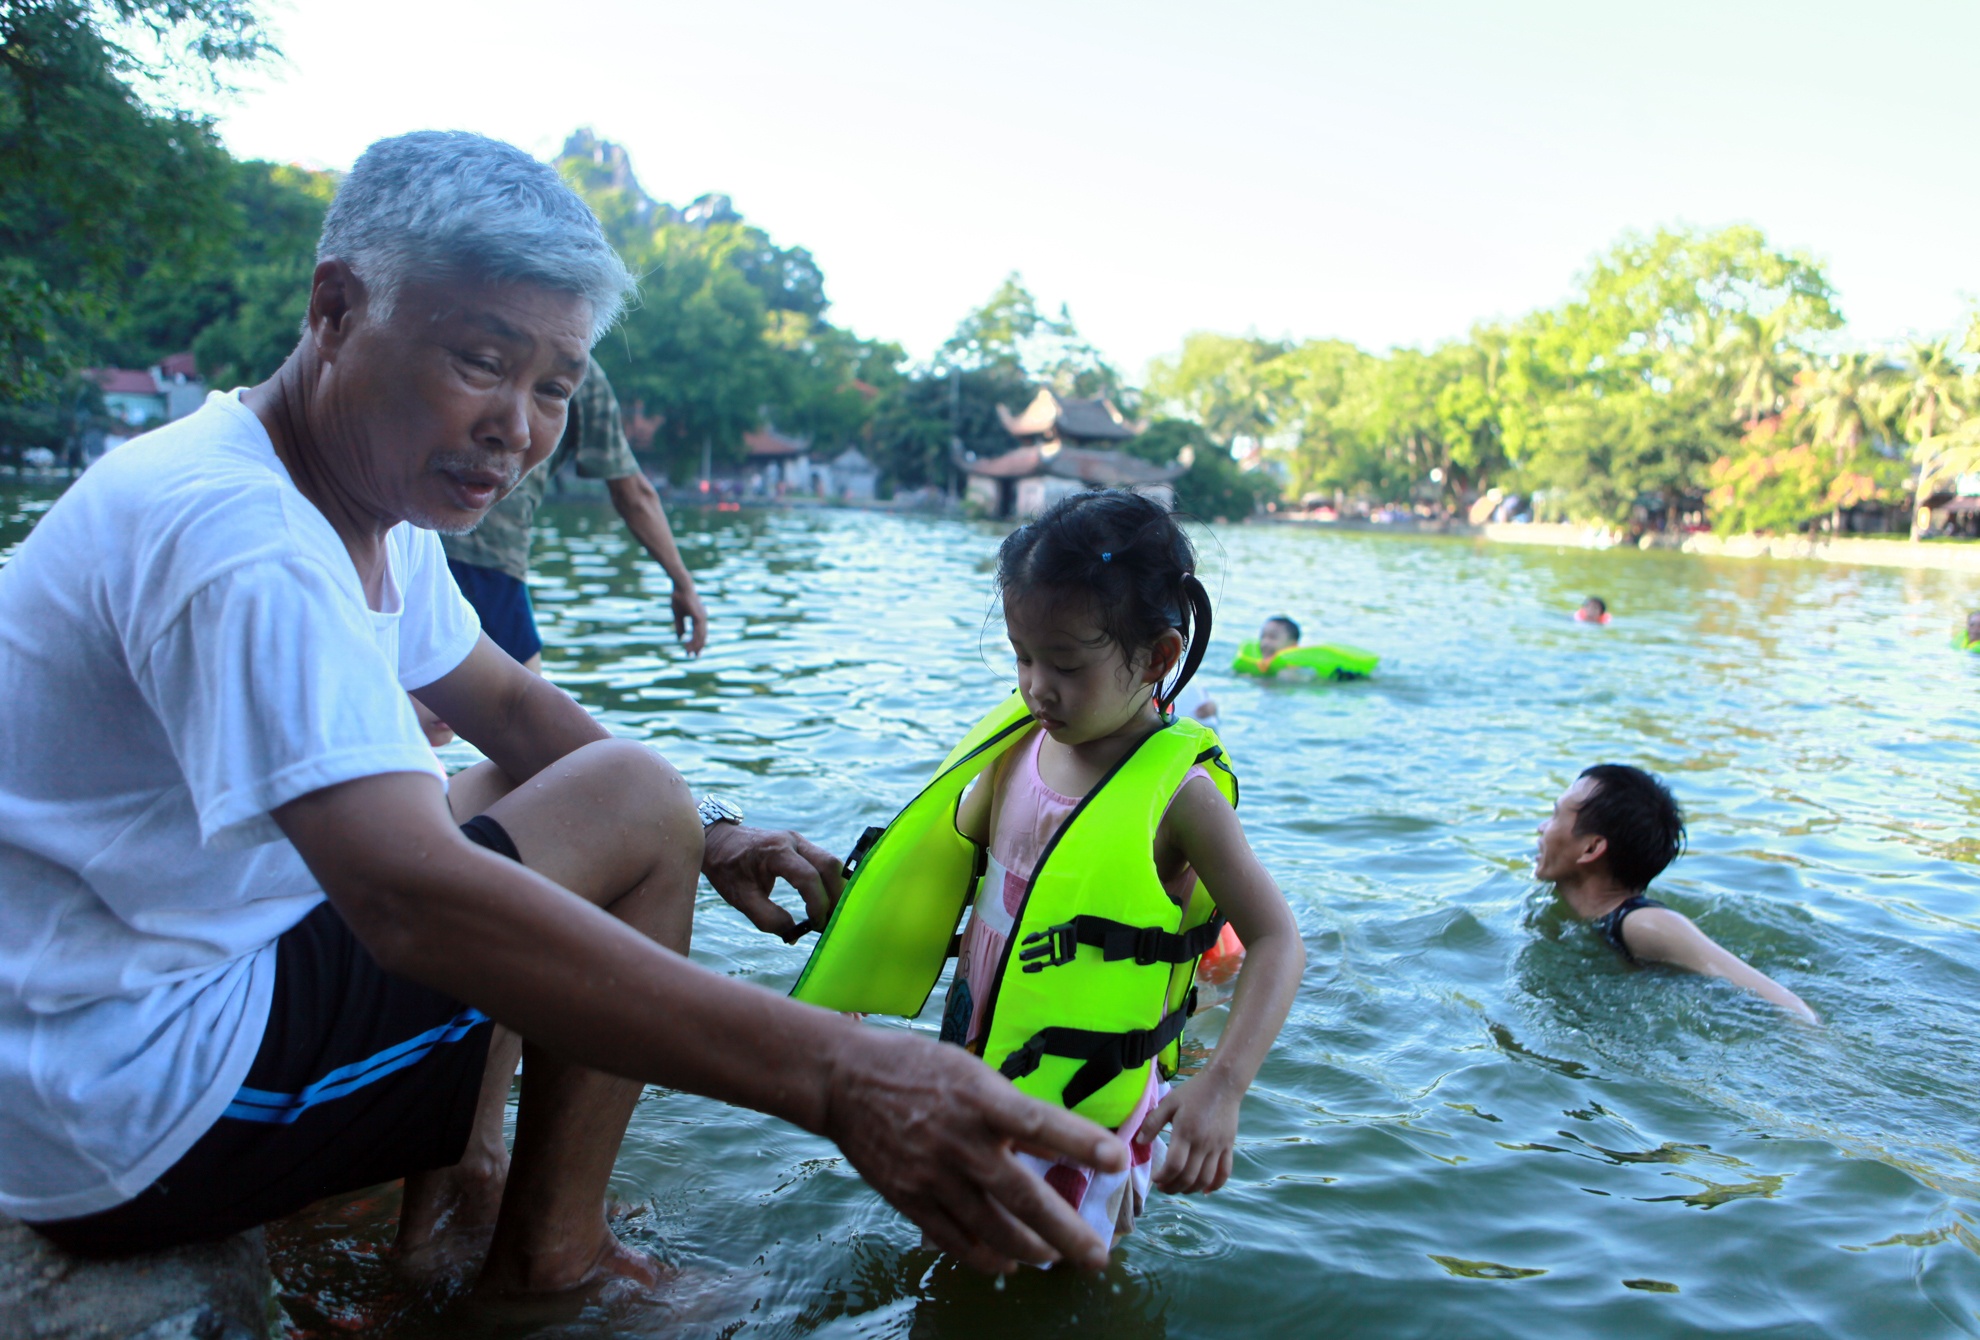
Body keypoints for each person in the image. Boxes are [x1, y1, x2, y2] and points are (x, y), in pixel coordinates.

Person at [0, 131, 1126, 1290]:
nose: (519, 427)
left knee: (561, 794)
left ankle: (464, 1192)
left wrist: (715, 830)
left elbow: (513, 712)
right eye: (481, 362)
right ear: (334, 309)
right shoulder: (241, 537)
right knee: (623, 807)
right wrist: (842, 1073)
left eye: (553, 387)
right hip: (116, 1107)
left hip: (102, 1032)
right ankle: (552, 1264)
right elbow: (407, 900)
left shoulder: (352, 501)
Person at [948, 490, 1303, 1243]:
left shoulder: (1180, 797)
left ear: (1159, 657)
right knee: (953, 1278)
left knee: (1067, 1295)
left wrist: (1224, 1087)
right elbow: (950, 880)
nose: (1037, 685)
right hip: (973, 1084)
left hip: (1083, 1120)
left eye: (1066, 665)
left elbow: (1278, 941)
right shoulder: (1015, 749)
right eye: (1023, 656)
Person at [442, 354, 706, 672]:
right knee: (519, 710)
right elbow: (632, 493)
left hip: (413, 531)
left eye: (553, 392)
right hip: (483, 550)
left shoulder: (466, 332)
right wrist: (683, 584)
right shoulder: (579, 366)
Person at [1535, 765, 1818, 1022]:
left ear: (1591, 848)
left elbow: (1792, 1008)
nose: (1541, 828)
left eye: (1555, 815)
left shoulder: (1645, 923)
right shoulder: (1585, 920)